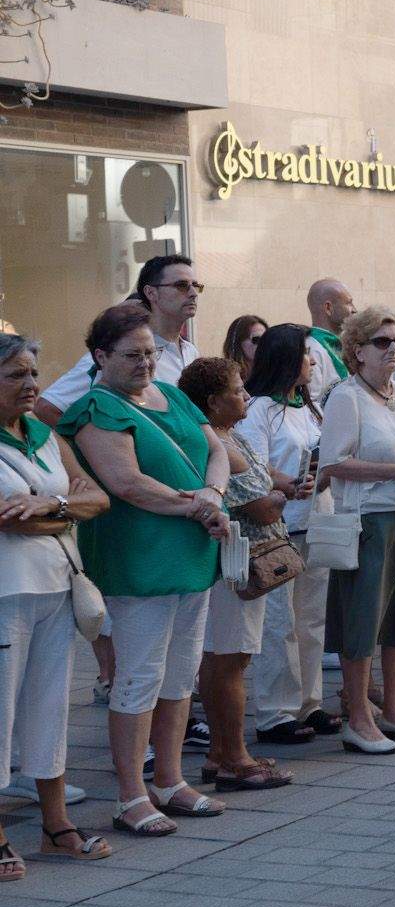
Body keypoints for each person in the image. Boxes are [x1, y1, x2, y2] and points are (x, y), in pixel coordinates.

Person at [56, 302, 232, 836]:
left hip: (193, 555)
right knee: (138, 677)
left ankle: (171, 780)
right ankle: (130, 794)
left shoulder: (172, 393)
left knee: (181, 673)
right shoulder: (95, 408)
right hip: (140, 560)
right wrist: (197, 505)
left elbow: (217, 450)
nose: (145, 363)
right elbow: (125, 482)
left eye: (151, 353)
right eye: (132, 355)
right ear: (100, 356)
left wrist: (213, 492)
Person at [0, 332, 112, 873]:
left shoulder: (44, 434)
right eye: (15, 375)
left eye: (32, 374)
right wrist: (63, 512)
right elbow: (8, 522)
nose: (30, 385)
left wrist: (53, 504)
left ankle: (54, 825)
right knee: (0, 714)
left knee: (49, 709)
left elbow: (96, 497)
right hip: (6, 592)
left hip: (55, 588)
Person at [316, 306, 395, 755]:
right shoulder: (346, 397)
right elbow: (332, 462)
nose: (393, 349)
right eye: (382, 342)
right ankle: (358, 717)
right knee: (362, 618)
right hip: (367, 517)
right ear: (357, 351)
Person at [178, 358, 294, 792]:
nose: (245, 395)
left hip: (234, 561)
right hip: (234, 564)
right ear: (213, 401)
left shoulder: (228, 436)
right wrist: (280, 496)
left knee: (227, 657)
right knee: (230, 659)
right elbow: (261, 505)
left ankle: (218, 754)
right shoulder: (220, 444)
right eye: (237, 389)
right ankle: (234, 759)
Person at [236, 325, 336, 746]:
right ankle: (276, 710)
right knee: (280, 621)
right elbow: (252, 464)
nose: (313, 363)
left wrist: (322, 473)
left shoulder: (308, 408)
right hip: (278, 527)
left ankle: (309, 701)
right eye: (306, 356)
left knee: (312, 619)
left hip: (316, 521)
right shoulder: (259, 408)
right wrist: (290, 484)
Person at [35, 255, 204, 425]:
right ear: (151, 293)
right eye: (182, 286)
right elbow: (47, 407)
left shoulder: (190, 351)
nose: (193, 293)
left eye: (195, 286)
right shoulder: (121, 352)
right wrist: (90, 445)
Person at [303, 278, 356, 402]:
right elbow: (311, 404)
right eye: (349, 303)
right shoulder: (311, 348)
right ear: (328, 308)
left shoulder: (344, 346)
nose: (354, 310)